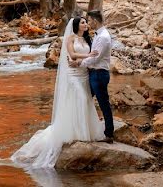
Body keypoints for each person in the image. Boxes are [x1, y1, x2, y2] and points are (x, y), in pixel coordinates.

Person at [11, 16, 105, 168]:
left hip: (84, 74)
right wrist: (87, 55)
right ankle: (78, 134)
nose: (86, 24)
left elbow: (91, 56)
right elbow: (72, 55)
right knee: (80, 98)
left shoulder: (88, 39)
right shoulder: (70, 38)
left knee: (86, 100)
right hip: (73, 75)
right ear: (76, 25)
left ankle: (86, 130)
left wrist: (89, 59)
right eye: (82, 22)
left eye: (86, 22)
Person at [71, 9, 114, 143]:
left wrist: (79, 63)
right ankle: (81, 128)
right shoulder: (98, 35)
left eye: (89, 20)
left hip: (99, 74)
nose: (88, 23)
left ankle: (109, 134)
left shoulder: (103, 37)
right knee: (84, 100)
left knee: (104, 104)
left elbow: (94, 59)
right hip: (94, 74)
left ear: (95, 20)